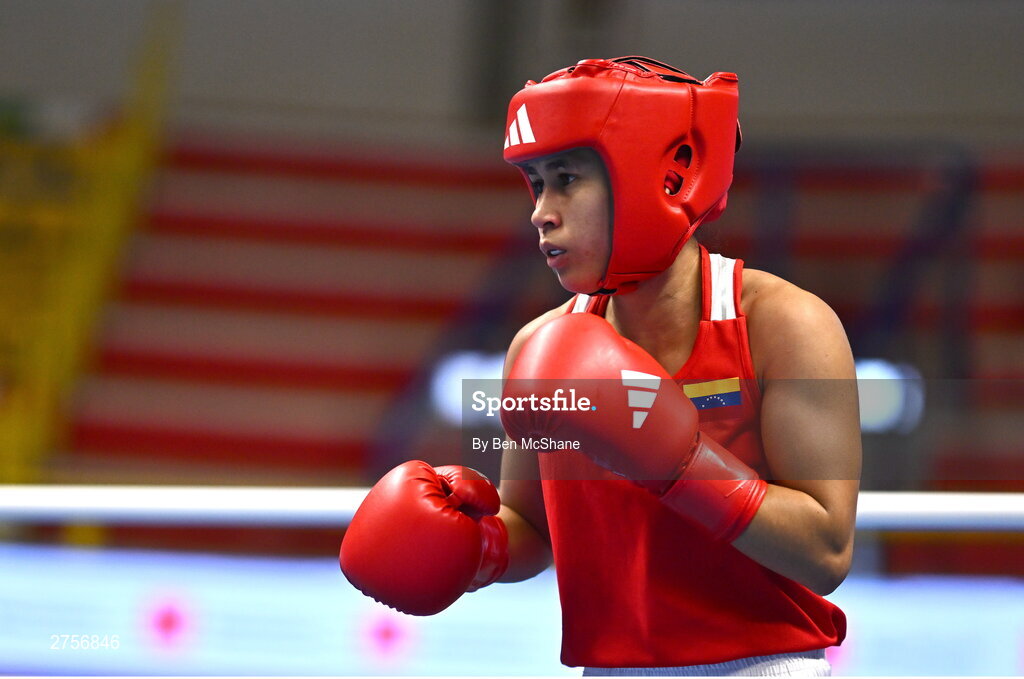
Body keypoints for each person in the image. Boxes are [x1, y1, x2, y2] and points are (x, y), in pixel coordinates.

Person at [340, 56, 861, 677]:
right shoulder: (540, 349)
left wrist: (680, 464)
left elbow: (826, 552)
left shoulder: (785, 325)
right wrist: (482, 550)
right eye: (535, 183)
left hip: (760, 666)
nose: (541, 212)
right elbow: (532, 524)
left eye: (566, 178)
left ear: (661, 177)